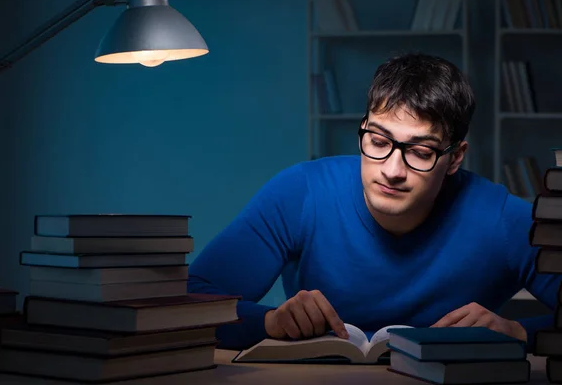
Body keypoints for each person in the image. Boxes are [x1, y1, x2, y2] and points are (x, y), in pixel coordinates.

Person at [187, 53, 561, 352]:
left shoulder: (501, 218)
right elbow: (183, 308)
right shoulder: (301, 192)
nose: (392, 170)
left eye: (420, 151)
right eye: (379, 142)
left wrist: (518, 332)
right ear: (361, 132)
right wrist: (269, 323)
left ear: (455, 158)